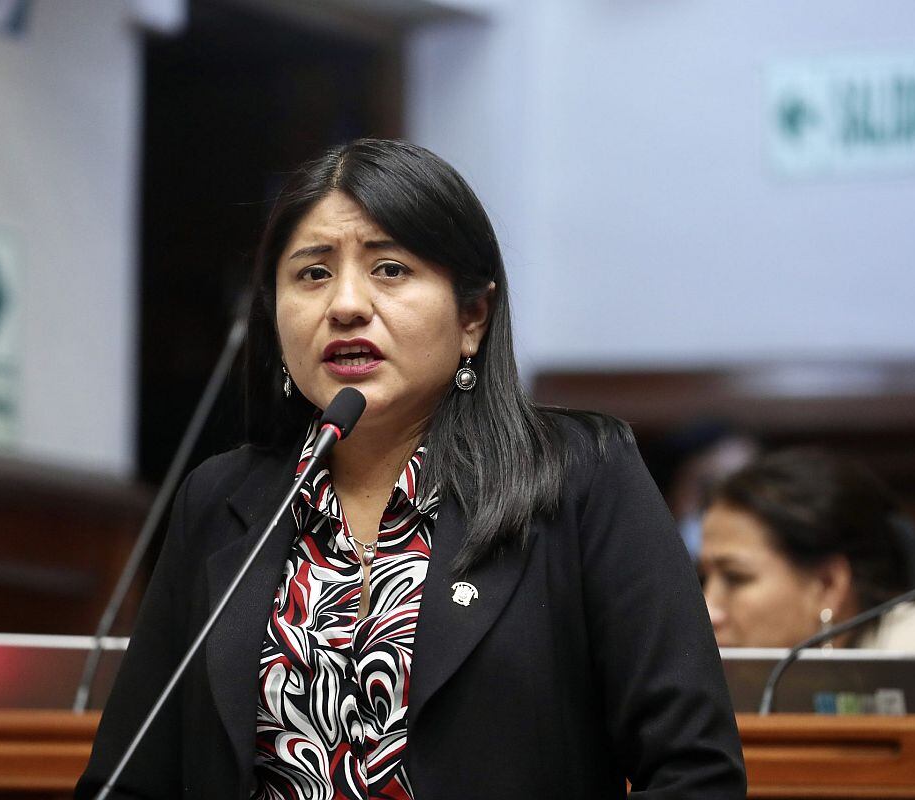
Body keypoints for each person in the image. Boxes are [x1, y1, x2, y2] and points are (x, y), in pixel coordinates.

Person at [77, 139, 745, 798]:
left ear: (473, 317)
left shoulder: (581, 477)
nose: (345, 304)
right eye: (312, 273)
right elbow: (130, 778)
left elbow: (695, 772)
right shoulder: (223, 501)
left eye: (390, 269)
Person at [699, 448, 915, 786]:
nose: (707, 610)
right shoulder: (702, 670)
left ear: (828, 584)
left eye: (735, 577)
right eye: (702, 579)